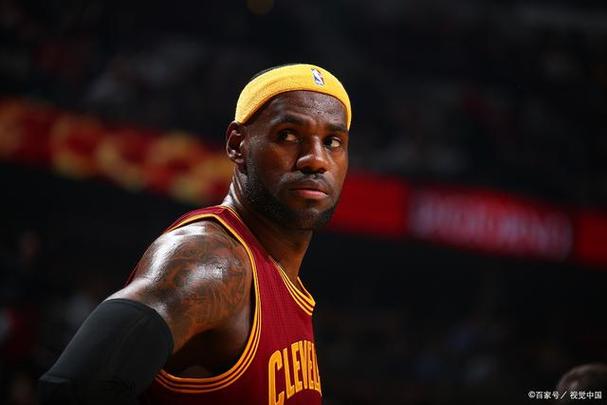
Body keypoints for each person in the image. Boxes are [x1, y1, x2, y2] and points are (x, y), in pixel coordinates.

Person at [38, 63, 352, 404]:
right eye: (288, 135)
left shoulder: (282, 281)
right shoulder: (212, 261)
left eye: (333, 142)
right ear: (237, 144)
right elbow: (71, 388)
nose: (316, 159)